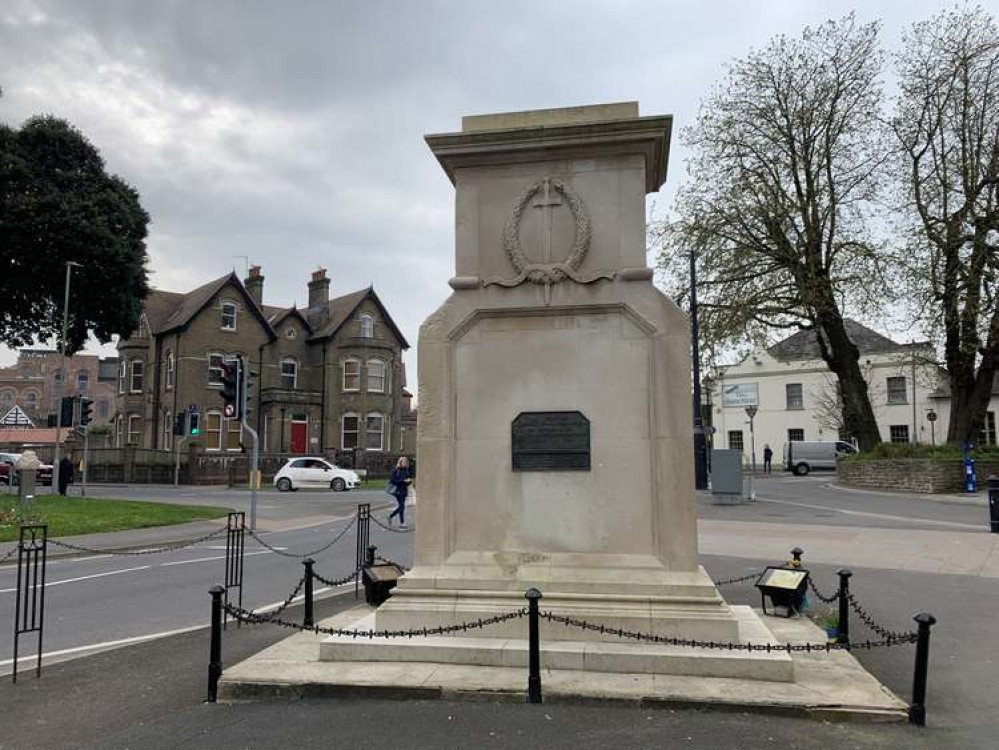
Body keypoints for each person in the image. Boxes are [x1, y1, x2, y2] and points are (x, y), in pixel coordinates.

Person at [387, 456, 412, 527]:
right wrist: (403, 481)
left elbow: (408, 481)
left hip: (404, 491)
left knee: (402, 506)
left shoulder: (406, 470)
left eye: (405, 462)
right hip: (397, 491)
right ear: (400, 462)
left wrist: (409, 482)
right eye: (403, 462)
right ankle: (400, 521)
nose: (404, 463)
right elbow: (392, 480)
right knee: (402, 506)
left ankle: (395, 519)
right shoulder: (396, 470)